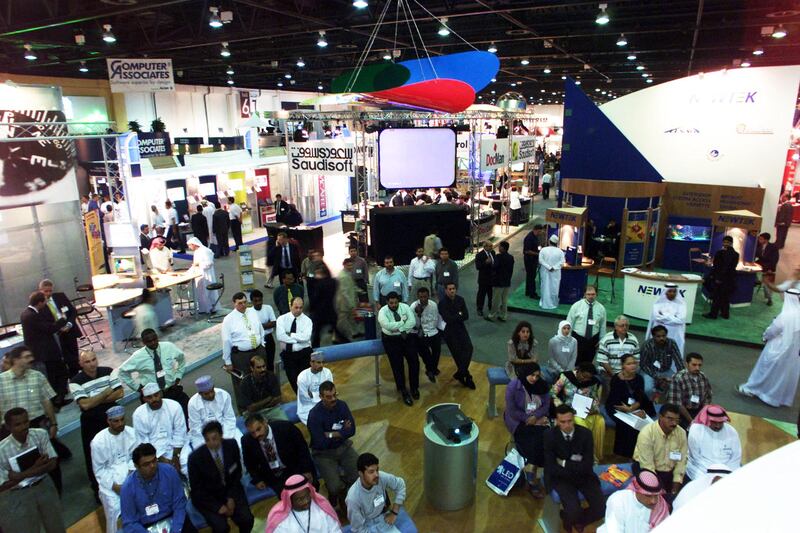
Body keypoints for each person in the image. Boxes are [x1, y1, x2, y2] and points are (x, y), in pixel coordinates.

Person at [0, 346, 67, 492]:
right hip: (11, 431)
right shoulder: (1, 381)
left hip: (37, 425)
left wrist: (53, 423)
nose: (31, 359)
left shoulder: (37, 376)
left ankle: (56, 492)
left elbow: (46, 401)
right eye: (27, 356)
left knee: (50, 462)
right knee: (15, 468)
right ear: (16, 360)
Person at [0, 408, 65, 533]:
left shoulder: (40, 434)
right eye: (17, 424)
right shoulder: (1, 450)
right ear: (8, 427)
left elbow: (52, 464)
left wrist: (18, 476)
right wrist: (37, 467)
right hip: (17, 495)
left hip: (44, 485)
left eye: (26, 422)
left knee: (57, 527)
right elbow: (2, 486)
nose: (24, 426)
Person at [543, 404, 606, 533]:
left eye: (569, 421)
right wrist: (575, 468)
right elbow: (551, 466)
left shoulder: (586, 434)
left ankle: (578, 520)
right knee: (573, 511)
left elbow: (588, 464)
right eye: (562, 422)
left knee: (602, 508)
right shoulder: (549, 436)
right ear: (556, 421)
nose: (567, 425)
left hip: (584, 476)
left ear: (574, 419)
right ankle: (571, 519)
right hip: (561, 479)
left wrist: (564, 463)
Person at [69, 349, 124, 495]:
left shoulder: (108, 371)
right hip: (91, 421)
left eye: (93, 360)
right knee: (94, 452)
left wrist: (94, 400)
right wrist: (106, 392)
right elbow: (85, 405)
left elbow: (120, 393)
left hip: (113, 416)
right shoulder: (75, 381)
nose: (92, 364)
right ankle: (98, 487)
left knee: (120, 445)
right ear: (80, 364)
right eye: (87, 361)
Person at [737, 287, 800, 407]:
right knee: (784, 374)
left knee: (766, 370)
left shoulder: (786, 315)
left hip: (778, 348)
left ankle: (754, 390)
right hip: (793, 352)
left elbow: (772, 331)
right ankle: (779, 398)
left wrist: (765, 336)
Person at [188, 421, 254, 533]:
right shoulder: (195, 458)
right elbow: (197, 490)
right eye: (207, 440)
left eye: (214, 438)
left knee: (247, 519)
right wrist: (217, 507)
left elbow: (236, 473)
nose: (211, 443)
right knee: (221, 528)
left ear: (221, 435)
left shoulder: (232, 445)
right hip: (208, 497)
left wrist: (231, 498)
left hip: (231, 490)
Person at [120, 443, 197, 533]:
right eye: (146, 464)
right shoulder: (127, 487)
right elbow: (130, 522)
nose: (152, 466)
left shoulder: (169, 471)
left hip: (173, 518)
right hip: (145, 527)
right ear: (136, 466)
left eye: (154, 461)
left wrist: (176, 530)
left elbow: (179, 503)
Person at [307, 381, 359, 509]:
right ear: (321, 397)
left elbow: (352, 430)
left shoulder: (342, 406)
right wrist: (342, 433)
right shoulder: (314, 415)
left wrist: (331, 434)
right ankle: (341, 493)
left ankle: (346, 486)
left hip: (344, 447)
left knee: (359, 475)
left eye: (335, 395)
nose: (333, 399)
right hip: (324, 454)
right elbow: (320, 442)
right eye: (329, 397)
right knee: (334, 487)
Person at [504, 363, 550, 498]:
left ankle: (533, 469)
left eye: (537, 376)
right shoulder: (513, 386)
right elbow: (512, 410)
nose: (534, 378)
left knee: (545, 438)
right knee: (531, 441)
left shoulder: (542, 385)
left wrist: (535, 417)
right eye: (532, 375)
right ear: (525, 374)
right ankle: (531, 474)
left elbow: (546, 406)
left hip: (538, 419)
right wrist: (527, 419)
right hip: (518, 420)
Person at [242, 413, 316, 496]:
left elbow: (302, 449)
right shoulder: (247, 441)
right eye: (252, 433)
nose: (256, 435)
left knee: (310, 491)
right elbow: (249, 463)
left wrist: (306, 470)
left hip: (295, 468)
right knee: (288, 498)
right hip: (274, 476)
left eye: (259, 429)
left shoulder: (286, 427)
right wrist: (257, 479)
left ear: (265, 422)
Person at [91, 405, 139, 533]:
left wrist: (129, 478)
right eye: (116, 421)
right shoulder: (98, 441)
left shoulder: (132, 433)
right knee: (116, 511)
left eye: (122, 419)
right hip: (110, 484)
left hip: (132, 476)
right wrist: (115, 487)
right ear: (108, 421)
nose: (120, 423)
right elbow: (99, 470)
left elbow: (135, 458)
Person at [118, 328, 189, 413]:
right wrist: (137, 387)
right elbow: (122, 371)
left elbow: (181, 358)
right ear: (143, 342)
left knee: (186, 411)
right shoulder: (138, 356)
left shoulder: (168, 346)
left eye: (155, 339)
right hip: (152, 397)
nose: (153, 343)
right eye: (149, 341)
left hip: (172, 390)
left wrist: (178, 376)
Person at [19, 290, 70, 405]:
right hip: (46, 351)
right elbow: (49, 329)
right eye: (45, 302)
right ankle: (58, 399)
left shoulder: (25, 313)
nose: (46, 304)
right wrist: (62, 319)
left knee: (54, 374)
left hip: (42, 351)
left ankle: (58, 397)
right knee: (59, 373)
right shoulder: (32, 316)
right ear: (40, 303)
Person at [550, 362, 605, 463]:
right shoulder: (566, 377)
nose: (586, 380)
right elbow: (553, 393)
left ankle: (595, 455)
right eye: (584, 376)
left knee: (600, 421)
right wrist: (563, 407)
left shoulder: (593, 382)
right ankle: (585, 456)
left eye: (588, 378)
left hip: (586, 411)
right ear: (578, 371)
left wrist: (594, 409)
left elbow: (596, 399)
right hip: (569, 410)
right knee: (579, 422)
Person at [633, 403, 688, 498]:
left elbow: (681, 462)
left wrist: (675, 488)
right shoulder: (647, 433)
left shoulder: (681, 433)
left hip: (669, 470)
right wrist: (660, 490)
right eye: (670, 419)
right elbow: (648, 466)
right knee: (658, 497)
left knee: (684, 494)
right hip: (647, 468)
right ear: (660, 417)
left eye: (677, 420)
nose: (674, 423)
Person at [606, 355, 656, 458]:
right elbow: (615, 400)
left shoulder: (639, 378)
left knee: (641, 421)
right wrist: (629, 411)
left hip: (635, 406)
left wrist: (632, 409)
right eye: (629, 364)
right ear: (623, 365)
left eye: (634, 363)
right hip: (618, 406)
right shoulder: (616, 378)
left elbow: (640, 398)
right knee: (625, 423)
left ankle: (636, 453)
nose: (633, 366)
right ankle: (620, 453)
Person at [222, 292, 266, 406]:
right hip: (241, 355)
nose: (243, 305)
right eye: (240, 303)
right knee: (243, 382)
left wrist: (262, 343)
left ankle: (263, 403)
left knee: (261, 377)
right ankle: (245, 408)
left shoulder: (252, 312)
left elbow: (260, 328)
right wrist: (227, 361)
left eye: (245, 302)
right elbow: (226, 341)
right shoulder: (228, 319)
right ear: (234, 304)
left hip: (258, 350)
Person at [132, 383, 188, 474]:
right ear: (144, 399)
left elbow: (180, 432)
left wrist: (175, 456)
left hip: (177, 448)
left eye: (156, 395)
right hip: (154, 453)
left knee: (186, 463)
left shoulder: (174, 406)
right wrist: (160, 458)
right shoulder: (138, 414)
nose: (154, 399)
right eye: (149, 397)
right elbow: (144, 441)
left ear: (161, 393)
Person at [346, 453, 407, 533]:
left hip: (384, 518)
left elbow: (400, 484)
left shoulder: (381, 477)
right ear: (361, 473)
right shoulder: (352, 498)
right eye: (371, 472)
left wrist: (394, 512)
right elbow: (358, 529)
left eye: (377, 470)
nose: (376, 475)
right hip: (366, 526)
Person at [378, 292, 419, 406]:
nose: (394, 305)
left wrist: (398, 328)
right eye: (391, 303)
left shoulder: (405, 307)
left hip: (406, 337)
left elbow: (412, 322)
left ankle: (414, 388)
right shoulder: (383, 311)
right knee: (397, 366)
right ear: (387, 302)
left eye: (396, 302)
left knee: (414, 362)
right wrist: (402, 323)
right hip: (391, 341)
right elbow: (386, 326)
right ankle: (403, 391)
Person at [265, 474, 341, 533]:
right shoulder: (279, 519)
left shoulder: (322, 507)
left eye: (307, 496)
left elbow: (335, 530)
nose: (306, 501)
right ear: (290, 500)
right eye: (300, 499)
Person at [600, 469, 670, 532]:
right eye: (648, 496)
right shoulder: (618, 501)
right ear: (636, 490)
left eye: (656, 495)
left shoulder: (661, 505)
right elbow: (614, 530)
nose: (654, 501)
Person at [686, 404, 741, 481]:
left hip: (727, 471)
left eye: (720, 422)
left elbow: (735, 459)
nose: (717, 426)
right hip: (701, 470)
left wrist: (724, 475)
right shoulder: (696, 430)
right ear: (707, 419)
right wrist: (712, 476)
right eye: (714, 422)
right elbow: (695, 458)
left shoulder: (732, 431)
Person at [39, 279, 81, 376]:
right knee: (63, 359)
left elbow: (73, 312)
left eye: (50, 291)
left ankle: (75, 376)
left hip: (69, 330)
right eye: (46, 291)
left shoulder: (60, 296)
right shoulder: (40, 304)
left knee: (74, 357)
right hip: (56, 334)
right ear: (40, 290)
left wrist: (69, 324)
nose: (48, 293)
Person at [187, 376, 241, 451]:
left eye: (212, 391)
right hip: (202, 436)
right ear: (200, 393)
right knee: (206, 456)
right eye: (206, 394)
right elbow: (196, 428)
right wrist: (211, 440)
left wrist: (223, 438)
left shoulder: (224, 395)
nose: (210, 395)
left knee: (238, 446)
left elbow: (229, 419)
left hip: (225, 429)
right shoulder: (192, 403)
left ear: (213, 387)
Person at [438, 282, 476, 389]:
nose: (452, 291)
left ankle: (460, 373)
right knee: (458, 355)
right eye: (449, 289)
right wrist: (459, 314)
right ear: (445, 290)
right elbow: (447, 319)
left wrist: (456, 316)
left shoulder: (460, 299)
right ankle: (467, 376)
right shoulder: (442, 303)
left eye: (453, 288)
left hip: (460, 328)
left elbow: (466, 316)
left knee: (469, 348)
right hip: (449, 332)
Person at [276, 296, 314, 393]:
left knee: (305, 381)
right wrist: (298, 339)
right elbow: (280, 336)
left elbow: (306, 337)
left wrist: (290, 335)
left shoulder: (307, 321)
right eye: (296, 307)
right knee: (293, 381)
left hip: (303, 354)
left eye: (301, 308)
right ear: (290, 306)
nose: (298, 310)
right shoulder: (281, 319)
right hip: (288, 354)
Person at [666, 353, 712, 428]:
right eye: (694, 365)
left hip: (698, 410)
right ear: (687, 364)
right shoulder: (678, 378)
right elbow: (678, 404)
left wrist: (702, 415)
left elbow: (707, 398)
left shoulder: (703, 377)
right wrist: (692, 421)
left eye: (699, 365)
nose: (697, 368)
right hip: (681, 413)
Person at [639, 325, 684, 398]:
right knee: (648, 389)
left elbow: (678, 361)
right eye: (658, 336)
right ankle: (647, 405)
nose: (662, 338)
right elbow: (643, 365)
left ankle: (665, 405)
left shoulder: (671, 343)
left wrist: (681, 375)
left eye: (664, 336)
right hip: (649, 371)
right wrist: (657, 376)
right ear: (653, 336)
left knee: (677, 387)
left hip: (665, 370)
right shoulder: (647, 345)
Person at [567, 285, 607, 364]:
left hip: (593, 340)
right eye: (588, 294)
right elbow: (569, 322)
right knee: (575, 361)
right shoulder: (576, 306)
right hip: (578, 339)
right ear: (584, 294)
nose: (591, 296)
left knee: (588, 363)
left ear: (596, 294)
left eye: (593, 294)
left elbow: (603, 326)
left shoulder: (601, 308)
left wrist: (602, 341)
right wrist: (568, 339)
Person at [409, 287, 442, 383]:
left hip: (433, 331)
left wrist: (434, 330)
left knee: (437, 350)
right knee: (425, 353)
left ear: (428, 296)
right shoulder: (413, 307)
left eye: (425, 297)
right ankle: (430, 369)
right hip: (420, 332)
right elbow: (413, 325)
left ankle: (432, 368)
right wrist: (418, 314)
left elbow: (436, 319)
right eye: (421, 297)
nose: (423, 299)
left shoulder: (434, 305)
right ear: (418, 297)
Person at [240, 354, 286, 421]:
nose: (263, 369)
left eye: (264, 366)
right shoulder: (245, 383)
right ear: (252, 368)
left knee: (285, 424)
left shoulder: (271, 376)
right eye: (259, 367)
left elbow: (278, 399)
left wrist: (258, 405)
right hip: (253, 414)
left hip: (272, 409)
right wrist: (269, 398)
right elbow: (250, 408)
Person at [703, 235, 739, 320]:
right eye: (724, 242)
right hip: (730, 279)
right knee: (725, 297)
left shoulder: (720, 253)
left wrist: (718, 278)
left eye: (727, 242)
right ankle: (725, 314)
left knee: (717, 296)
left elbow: (720, 267)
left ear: (730, 243)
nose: (725, 244)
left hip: (721, 278)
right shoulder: (736, 254)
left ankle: (713, 314)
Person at [645, 283, 687, 356]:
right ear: (665, 292)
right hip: (659, 332)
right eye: (670, 291)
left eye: (674, 292)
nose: (672, 293)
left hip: (675, 333)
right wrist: (674, 317)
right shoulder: (658, 303)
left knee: (673, 352)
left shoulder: (681, 304)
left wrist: (663, 316)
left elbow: (681, 320)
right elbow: (656, 317)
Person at [311, 264, 347, 346]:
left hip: (320, 312)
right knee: (337, 330)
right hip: (331, 310)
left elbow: (315, 299)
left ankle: (314, 349)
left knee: (316, 334)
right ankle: (347, 344)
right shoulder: (333, 282)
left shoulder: (319, 285)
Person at [596, 316, 640, 382]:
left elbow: (636, 360)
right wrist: (615, 376)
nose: (625, 327)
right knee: (610, 388)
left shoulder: (633, 340)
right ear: (616, 327)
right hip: (608, 372)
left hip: (627, 372)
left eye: (627, 325)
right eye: (622, 325)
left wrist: (627, 374)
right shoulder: (606, 339)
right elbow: (603, 362)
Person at [297, 352, 334, 424]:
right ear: (311, 363)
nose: (322, 365)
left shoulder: (327, 372)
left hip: (326, 402)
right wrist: (323, 395)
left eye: (323, 362)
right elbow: (305, 398)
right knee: (316, 423)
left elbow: (330, 391)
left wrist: (313, 395)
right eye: (319, 362)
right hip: (308, 406)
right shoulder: (302, 377)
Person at [188, 237, 219, 314]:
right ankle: (203, 308)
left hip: (207, 275)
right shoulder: (196, 252)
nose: (189, 247)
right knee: (201, 292)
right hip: (199, 275)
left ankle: (212, 308)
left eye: (190, 245)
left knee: (208, 292)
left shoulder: (205, 251)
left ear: (194, 244)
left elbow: (210, 263)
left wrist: (199, 264)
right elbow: (195, 264)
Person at [251, 289, 278, 371]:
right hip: (257, 340)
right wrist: (267, 325)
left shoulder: (268, 308)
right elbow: (251, 328)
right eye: (255, 301)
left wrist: (258, 326)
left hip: (269, 338)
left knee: (270, 363)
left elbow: (274, 323)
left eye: (260, 300)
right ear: (252, 301)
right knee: (260, 364)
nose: (258, 303)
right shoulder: (249, 312)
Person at [487, 241, 514, 322]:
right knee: (504, 300)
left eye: (499, 246)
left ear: (502, 248)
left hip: (498, 282)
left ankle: (492, 315)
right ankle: (503, 316)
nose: (498, 248)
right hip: (507, 281)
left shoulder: (498, 257)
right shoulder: (511, 257)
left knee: (496, 300)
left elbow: (494, 267)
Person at [539, 235, 565, 309]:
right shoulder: (560, 251)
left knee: (544, 286)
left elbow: (541, 260)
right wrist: (553, 267)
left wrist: (548, 267)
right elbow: (562, 262)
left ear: (549, 241)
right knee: (554, 288)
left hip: (545, 271)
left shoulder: (543, 250)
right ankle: (553, 303)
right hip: (555, 272)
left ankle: (544, 302)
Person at [336, 259, 360, 341]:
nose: (351, 267)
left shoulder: (348, 273)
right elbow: (344, 293)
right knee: (342, 321)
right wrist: (351, 305)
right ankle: (340, 337)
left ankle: (354, 333)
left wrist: (359, 290)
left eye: (351, 265)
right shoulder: (343, 276)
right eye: (348, 265)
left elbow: (351, 286)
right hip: (344, 304)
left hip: (348, 302)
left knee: (351, 319)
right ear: (344, 265)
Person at [754, 232, 779, 306]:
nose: (759, 240)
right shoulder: (758, 245)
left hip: (769, 267)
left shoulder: (773, 247)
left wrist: (771, 269)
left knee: (767, 285)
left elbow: (775, 259)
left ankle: (769, 299)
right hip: (760, 263)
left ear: (766, 240)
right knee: (752, 272)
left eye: (761, 239)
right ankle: (756, 281)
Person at [475, 241, 495, 316]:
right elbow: (478, 267)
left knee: (491, 294)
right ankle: (479, 309)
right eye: (489, 246)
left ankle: (491, 307)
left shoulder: (492, 252)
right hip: (483, 279)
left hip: (491, 278)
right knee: (481, 294)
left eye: (491, 246)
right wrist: (485, 262)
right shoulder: (479, 255)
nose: (491, 248)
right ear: (485, 247)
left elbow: (494, 262)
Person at [523, 225, 543, 299]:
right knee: (531, 276)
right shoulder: (529, 238)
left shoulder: (535, 237)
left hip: (533, 259)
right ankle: (532, 293)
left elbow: (538, 246)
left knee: (529, 276)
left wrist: (540, 250)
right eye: (539, 231)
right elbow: (527, 251)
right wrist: (538, 254)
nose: (540, 233)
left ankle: (528, 291)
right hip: (529, 260)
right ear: (536, 230)